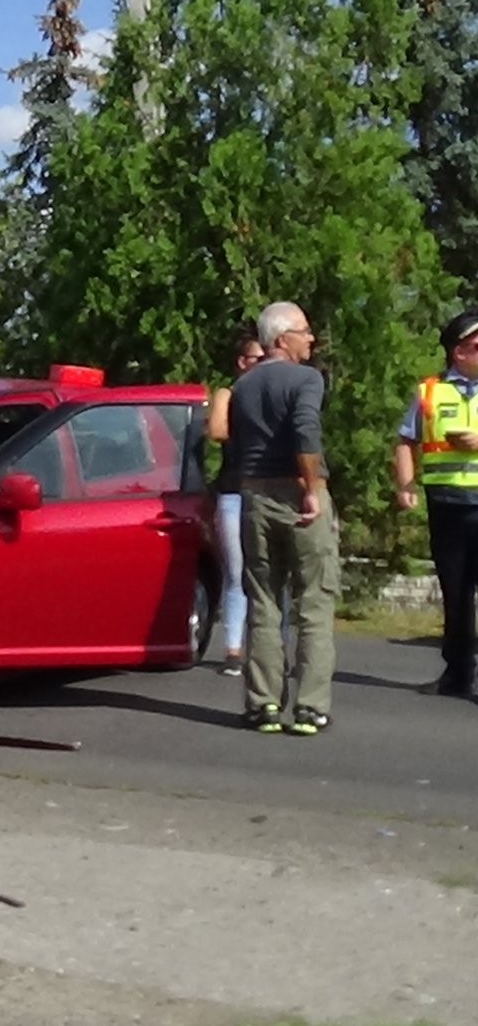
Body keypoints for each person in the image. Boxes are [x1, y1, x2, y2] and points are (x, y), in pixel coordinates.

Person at [227, 300, 338, 735]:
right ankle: (310, 707)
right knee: (314, 600)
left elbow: (236, 444)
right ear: (281, 339)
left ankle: (263, 704)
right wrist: (310, 489)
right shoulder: (306, 379)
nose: (311, 339)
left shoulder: (243, 385)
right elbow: (305, 431)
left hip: (255, 493)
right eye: (304, 331)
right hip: (299, 492)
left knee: (264, 599)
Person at [393, 310, 478, 701]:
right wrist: (405, 484)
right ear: (458, 352)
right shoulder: (429, 391)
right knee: (455, 592)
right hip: (446, 502)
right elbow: (405, 440)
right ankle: (457, 674)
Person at [206, 330, 268, 676]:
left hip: (268, 490)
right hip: (234, 490)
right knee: (236, 570)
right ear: (243, 362)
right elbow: (217, 431)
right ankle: (233, 649)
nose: (264, 365)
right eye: (258, 359)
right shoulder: (228, 394)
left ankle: (269, 649)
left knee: (270, 572)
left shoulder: (273, 395)